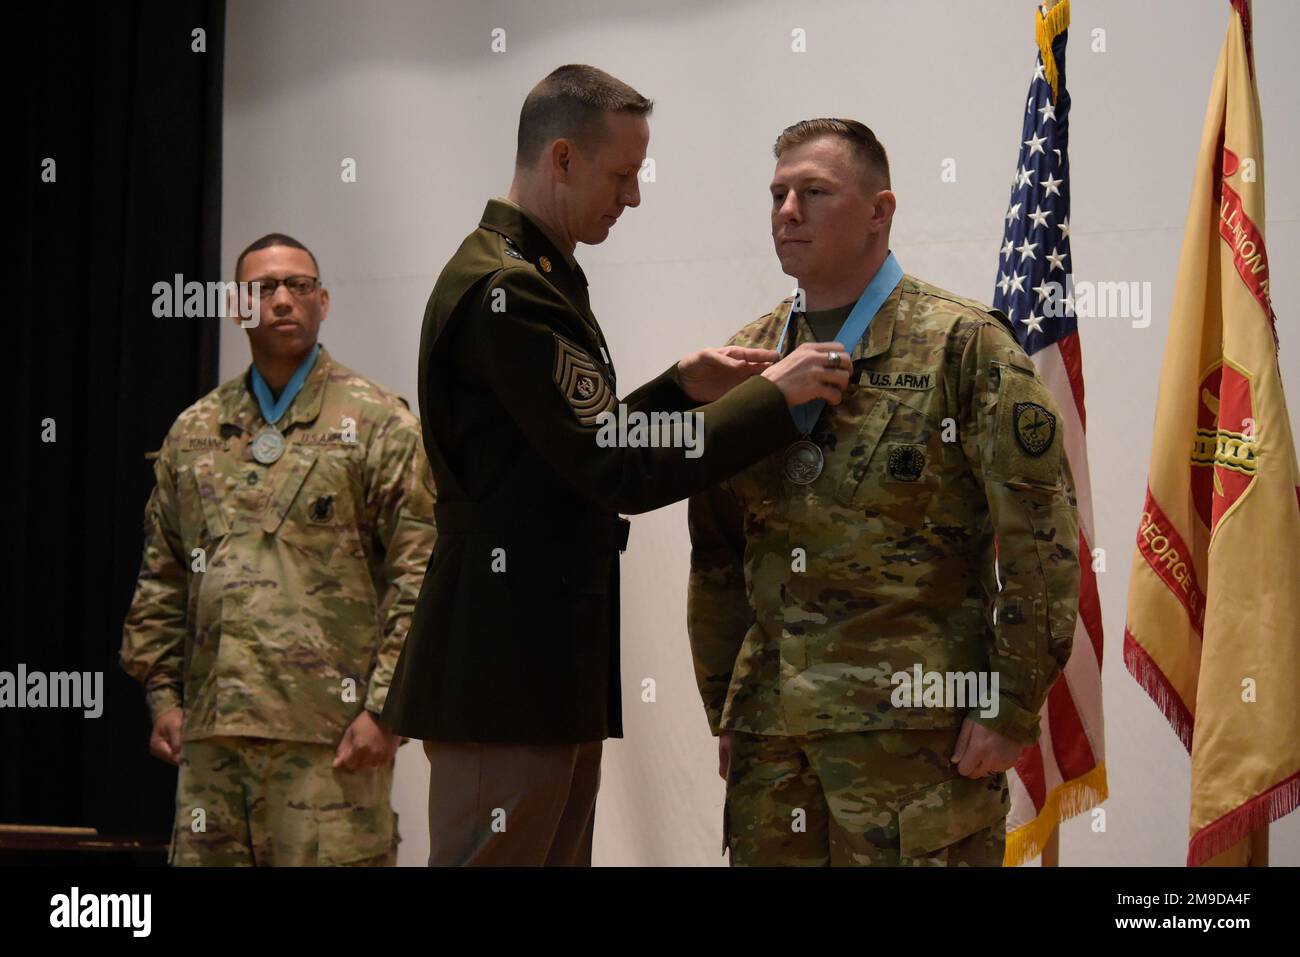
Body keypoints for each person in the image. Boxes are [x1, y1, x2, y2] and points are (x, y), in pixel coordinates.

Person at [382, 65, 850, 867]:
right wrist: (770, 398)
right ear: (561, 158)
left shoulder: (533, 275)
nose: (632, 197)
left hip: (539, 667)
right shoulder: (508, 290)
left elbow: (559, 446)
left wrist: (678, 388)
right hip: (505, 672)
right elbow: (616, 468)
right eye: (622, 175)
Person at [687, 119, 1080, 866]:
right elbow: (716, 549)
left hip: (919, 748)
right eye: (777, 194)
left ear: (880, 210)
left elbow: (1040, 542)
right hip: (776, 748)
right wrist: (728, 706)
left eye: (813, 192)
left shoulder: (965, 345)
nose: (787, 211)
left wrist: (1010, 704)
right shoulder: (746, 358)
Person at [120, 233, 436, 866]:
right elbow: (163, 575)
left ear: (323, 301)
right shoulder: (196, 432)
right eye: (263, 289)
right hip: (214, 742)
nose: (282, 300)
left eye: (298, 286)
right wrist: (164, 698)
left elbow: (419, 576)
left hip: (332, 740)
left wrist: (387, 710)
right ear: (238, 306)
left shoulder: (378, 422)